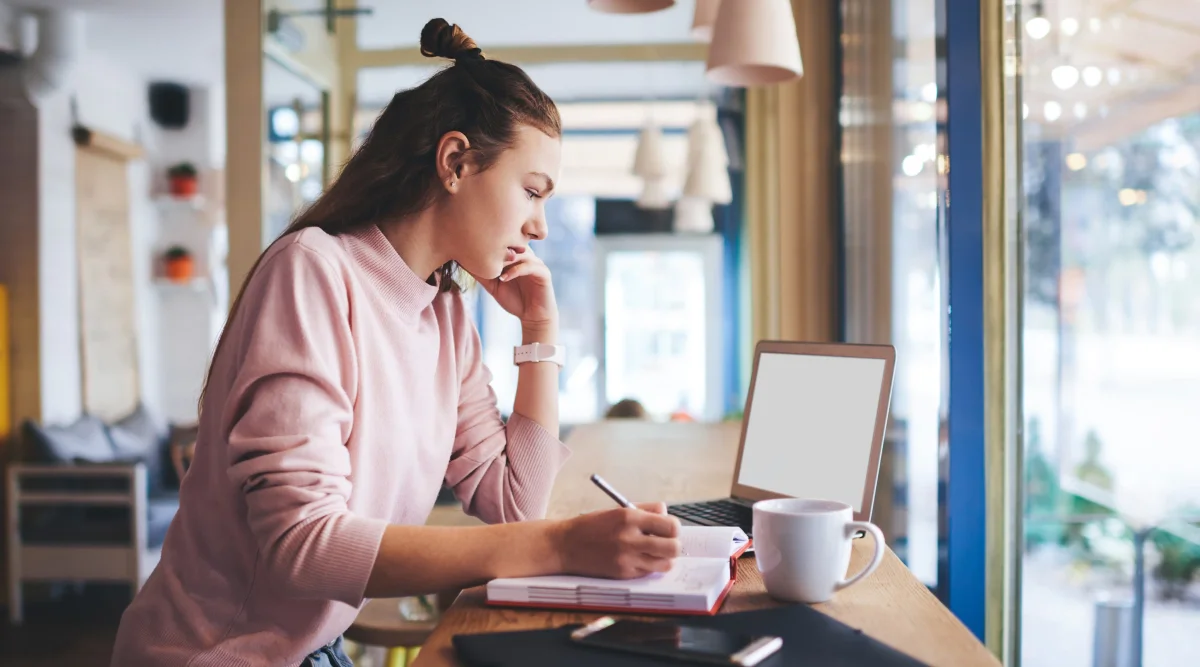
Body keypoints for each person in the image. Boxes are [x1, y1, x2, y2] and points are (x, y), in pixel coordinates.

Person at [111, 19, 681, 667]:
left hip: (313, 650)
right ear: (455, 162)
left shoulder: (446, 315)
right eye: (531, 191)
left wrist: (539, 334)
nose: (540, 227)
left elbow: (516, 503)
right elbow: (302, 544)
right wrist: (559, 546)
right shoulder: (313, 271)